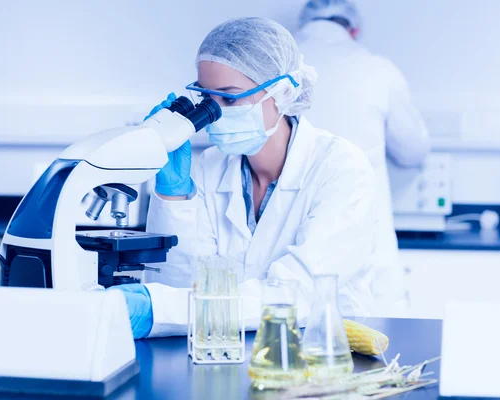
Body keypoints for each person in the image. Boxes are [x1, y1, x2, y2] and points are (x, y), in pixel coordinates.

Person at [111, 17, 381, 339]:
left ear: (280, 92)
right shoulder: (211, 166)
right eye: (208, 99)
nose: (216, 112)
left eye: (230, 97)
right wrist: (173, 197)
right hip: (228, 353)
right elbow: (181, 288)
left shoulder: (341, 169)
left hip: (318, 359)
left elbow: (296, 296)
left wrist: (158, 308)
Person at [295, 0, 431, 315]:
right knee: (374, 341)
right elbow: (413, 150)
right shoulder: (377, 68)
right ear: (354, 30)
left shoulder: (280, 69)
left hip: (291, 230)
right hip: (365, 229)